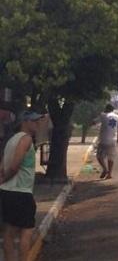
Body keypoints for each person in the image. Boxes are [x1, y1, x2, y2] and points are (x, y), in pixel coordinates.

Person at [0, 110, 45, 261]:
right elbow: (14, 166)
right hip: (21, 192)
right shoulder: (26, 139)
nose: (37, 124)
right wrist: (4, 179)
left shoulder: (10, 140)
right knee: (27, 231)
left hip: (7, 192)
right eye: (34, 121)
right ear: (24, 122)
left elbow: (2, 165)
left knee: (8, 232)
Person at [96, 103, 118, 180]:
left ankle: (105, 169)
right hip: (113, 140)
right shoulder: (117, 116)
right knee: (111, 157)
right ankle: (109, 174)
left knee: (99, 156)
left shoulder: (103, 115)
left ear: (106, 109)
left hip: (103, 140)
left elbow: (94, 122)